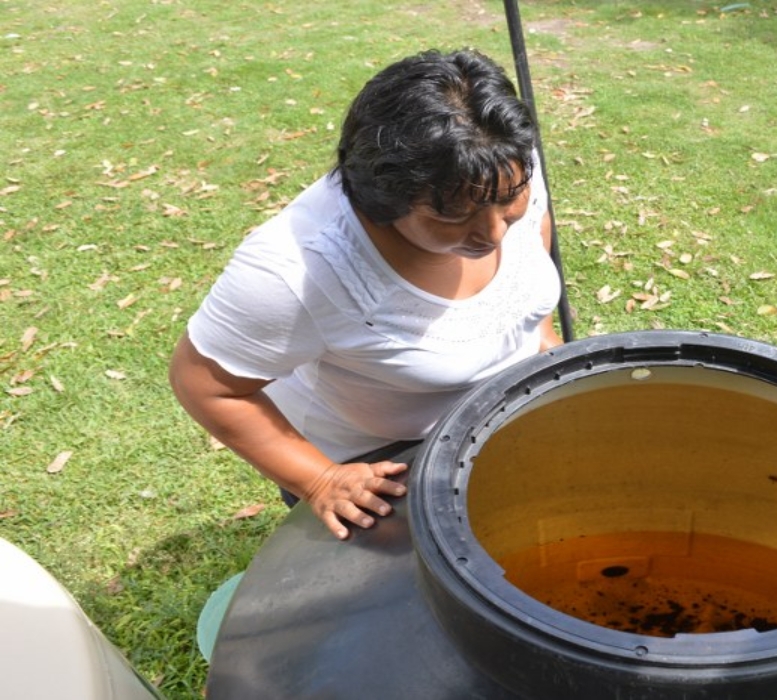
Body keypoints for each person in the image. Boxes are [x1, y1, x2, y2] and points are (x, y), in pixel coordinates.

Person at [169, 49, 563, 541]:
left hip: (496, 421)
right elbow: (205, 384)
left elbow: (530, 252)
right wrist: (320, 480)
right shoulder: (296, 270)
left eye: (508, 204)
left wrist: (540, 336)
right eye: (451, 218)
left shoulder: (496, 165)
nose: (492, 235)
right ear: (382, 200)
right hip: (382, 459)